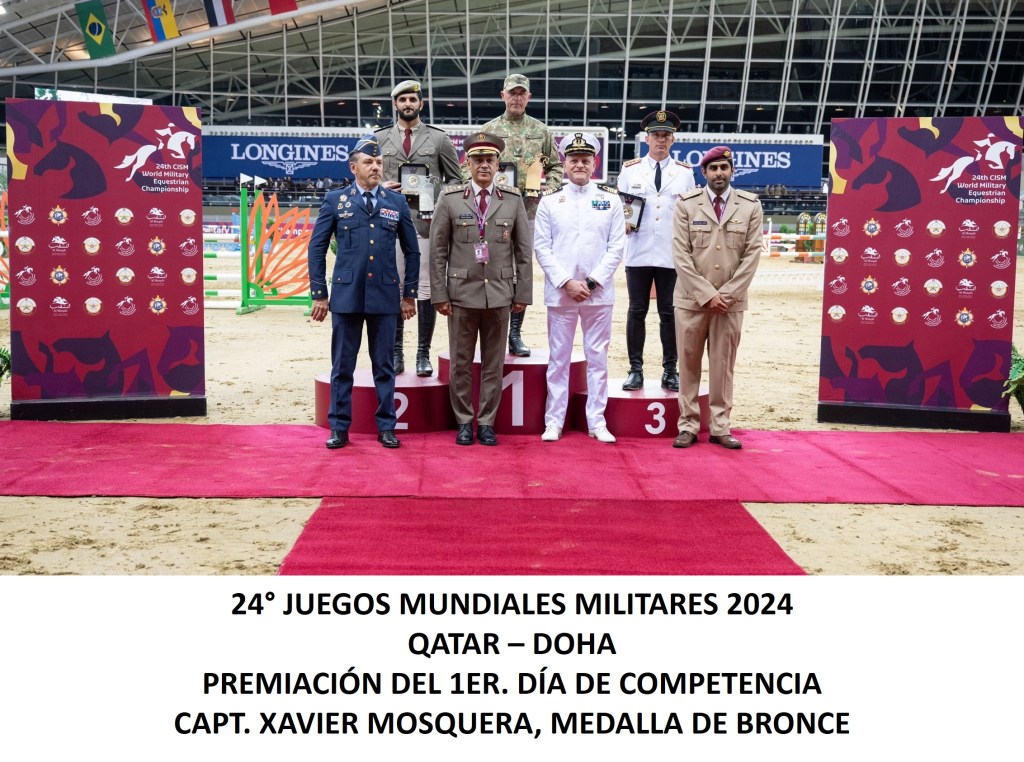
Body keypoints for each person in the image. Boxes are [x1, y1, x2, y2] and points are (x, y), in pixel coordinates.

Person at [307, 136, 419, 450]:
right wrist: (319, 293)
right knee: (342, 367)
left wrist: (409, 294)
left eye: (379, 163)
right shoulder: (335, 200)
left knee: (384, 366)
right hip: (347, 296)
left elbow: (412, 251)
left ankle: (386, 427)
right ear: (353, 167)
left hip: (385, 296)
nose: (375, 167)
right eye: (368, 162)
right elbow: (316, 248)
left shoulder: (395, 202)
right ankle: (339, 427)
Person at [430, 133, 532, 446]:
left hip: (500, 294)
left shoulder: (512, 200)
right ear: (468, 164)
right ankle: (464, 421)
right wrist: (440, 294)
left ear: (498, 164)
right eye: (478, 160)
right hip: (461, 295)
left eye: (490, 159)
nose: (484, 165)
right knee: (460, 363)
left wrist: (522, 294)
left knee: (493, 363)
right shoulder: (450, 199)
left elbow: (523, 252)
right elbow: (438, 252)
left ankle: (486, 422)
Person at [534, 132, 625, 444]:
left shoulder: (611, 200)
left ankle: (597, 422)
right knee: (558, 359)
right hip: (561, 294)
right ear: (565, 163)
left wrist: (591, 281)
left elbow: (616, 247)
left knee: (597, 359)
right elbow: (542, 248)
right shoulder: (549, 202)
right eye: (574, 160)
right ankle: (554, 421)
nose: (580, 165)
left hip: (598, 295)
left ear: (594, 164)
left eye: (585, 160)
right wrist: (566, 282)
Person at [672, 145, 762, 450]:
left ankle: (721, 426)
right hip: (691, 301)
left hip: (730, 304)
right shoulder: (686, 205)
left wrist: (727, 294)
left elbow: (752, 255)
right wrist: (707, 294)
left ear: (732, 170)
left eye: (724, 168)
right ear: (704, 173)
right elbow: (680, 255)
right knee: (688, 365)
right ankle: (688, 425)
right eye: (713, 168)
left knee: (723, 367)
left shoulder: (750, 206)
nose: (719, 173)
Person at [376, 79, 462, 377]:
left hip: (427, 224)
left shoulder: (439, 139)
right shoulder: (380, 138)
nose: (408, 104)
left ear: (421, 104)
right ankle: (396, 352)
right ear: (395, 105)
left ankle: (423, 353)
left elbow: (456, 179)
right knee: (394, 287)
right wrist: (380, 186)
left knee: (425, 287)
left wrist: (439, 199)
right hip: (389, 223)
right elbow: (367, 175)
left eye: (413, 100)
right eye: (402, 100)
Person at [473, 73, 563, 357]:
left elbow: (556, 166)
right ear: (503, 96)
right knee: (494, 268)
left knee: (521, 269)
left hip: (529, 212)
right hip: (494, 213)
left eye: (521, 93)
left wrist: (550, 188)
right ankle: (494, 329)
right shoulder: (488, 131)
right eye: (512, 93)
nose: (516, 97)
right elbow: (469, 168)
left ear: (529, 97)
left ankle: (514, 332)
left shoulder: (541, 131)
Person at [616, 109, 695, 392]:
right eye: (656, 135)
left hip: (671, 254)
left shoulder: (685, 173)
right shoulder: (630, 170)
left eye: (666, 135)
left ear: (673, 139)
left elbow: (690, 212)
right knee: (636, 310)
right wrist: (623, 223)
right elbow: (620, 208)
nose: (661, 139)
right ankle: (635, 370)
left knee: (669, 313)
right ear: (646, 139)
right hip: (638, 250)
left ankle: (670, 370)